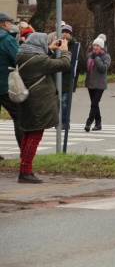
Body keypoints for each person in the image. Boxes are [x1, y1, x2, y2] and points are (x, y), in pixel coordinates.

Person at [14, 33, 71, 183]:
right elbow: (63, 64)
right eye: (45, 42)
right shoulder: (37, 61)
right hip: (38, 104)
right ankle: (25, 172)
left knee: (28, 134)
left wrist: (49, 49)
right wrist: (65, 51)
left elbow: (43, 61)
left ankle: (24, 169)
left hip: (27, 102)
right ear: (39, 44)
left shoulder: (22, 55)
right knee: (34, 137)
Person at [0, 11, 23, 152]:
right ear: (4, 24)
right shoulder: (7, 40)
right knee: (19, 115)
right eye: (10, 23)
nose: (12, 25)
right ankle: (24, 151)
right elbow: (18, 58)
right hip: (3, 85)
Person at [84, 37, 111, 132]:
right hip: (90, 83)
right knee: (94, 104)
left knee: (94, 103)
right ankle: (98, 123)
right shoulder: (90, 55)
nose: (95, 47)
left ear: (102, 47)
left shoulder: (106, 56)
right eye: (94, 45)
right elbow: (86, 68)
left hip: (100, 84)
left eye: (97, 45)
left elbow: (104, 68)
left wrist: (97, 58)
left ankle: (89, 122)